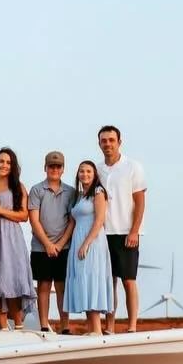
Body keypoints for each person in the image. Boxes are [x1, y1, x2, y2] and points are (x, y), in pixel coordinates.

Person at [96, 125, 147, 333]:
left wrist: (134, 230)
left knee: (128, 280)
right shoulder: (97, 168)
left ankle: (132, 325)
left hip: (126, 233)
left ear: (119, 142)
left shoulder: (132, 167)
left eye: (111, 140)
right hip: (103, 233)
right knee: (109, 282)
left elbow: (140, 201)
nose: (108, 144)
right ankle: (109, 325)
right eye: (104, 140)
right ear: (99, 143)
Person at [27, 150, 76, 333]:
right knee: (44, 286)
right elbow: (34, 219)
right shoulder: (36, 190)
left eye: (58, 166)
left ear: (63, 169)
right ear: (45, 167)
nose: (54, 169)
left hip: (64, 247)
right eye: (51, 166)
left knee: (62, 287)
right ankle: (44, 325)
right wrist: (47, 244)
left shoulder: (71, 192)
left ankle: (65, 326)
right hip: (41, 247)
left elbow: (72, 220)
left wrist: (60, 243)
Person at [0, 147, 35, 330]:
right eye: (1, 161)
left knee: (13, 278)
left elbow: (23, 216)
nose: (4, 165)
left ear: (12, 166)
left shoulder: (18, 187)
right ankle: (3, 326)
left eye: (8, 162)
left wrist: (1, 211)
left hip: (12, 238)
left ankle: (19, 325)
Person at [63, 160, 112, 336]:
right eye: (82, 171)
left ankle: (97, 329)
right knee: (82, 279)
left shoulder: (98, 192)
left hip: (93, 241)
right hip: (78, 240)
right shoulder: (79, 196)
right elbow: (72, 223)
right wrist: (62, 244)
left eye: (88, 171)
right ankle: (91, 328)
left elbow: (99, 220)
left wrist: (86, 243)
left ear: (94, 174)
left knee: (92, 279)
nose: (85, 174)